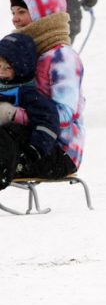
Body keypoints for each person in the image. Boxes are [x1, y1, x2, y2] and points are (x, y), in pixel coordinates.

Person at [9, 0, 86, 181]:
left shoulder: (62, 57)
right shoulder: (24, 53)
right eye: (13, 12)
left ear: (42, 14)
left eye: (22, 12)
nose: (15, 18)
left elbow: (64, 115)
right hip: (24, 137)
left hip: (58, 150)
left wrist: (12, 114)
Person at [0, 33, 60, 190]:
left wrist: (35, 149)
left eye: (8, 67)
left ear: (21, 68)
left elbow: (48, 120)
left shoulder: (27, 93)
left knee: (4, 135)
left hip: (19, 148)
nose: (2, 72)